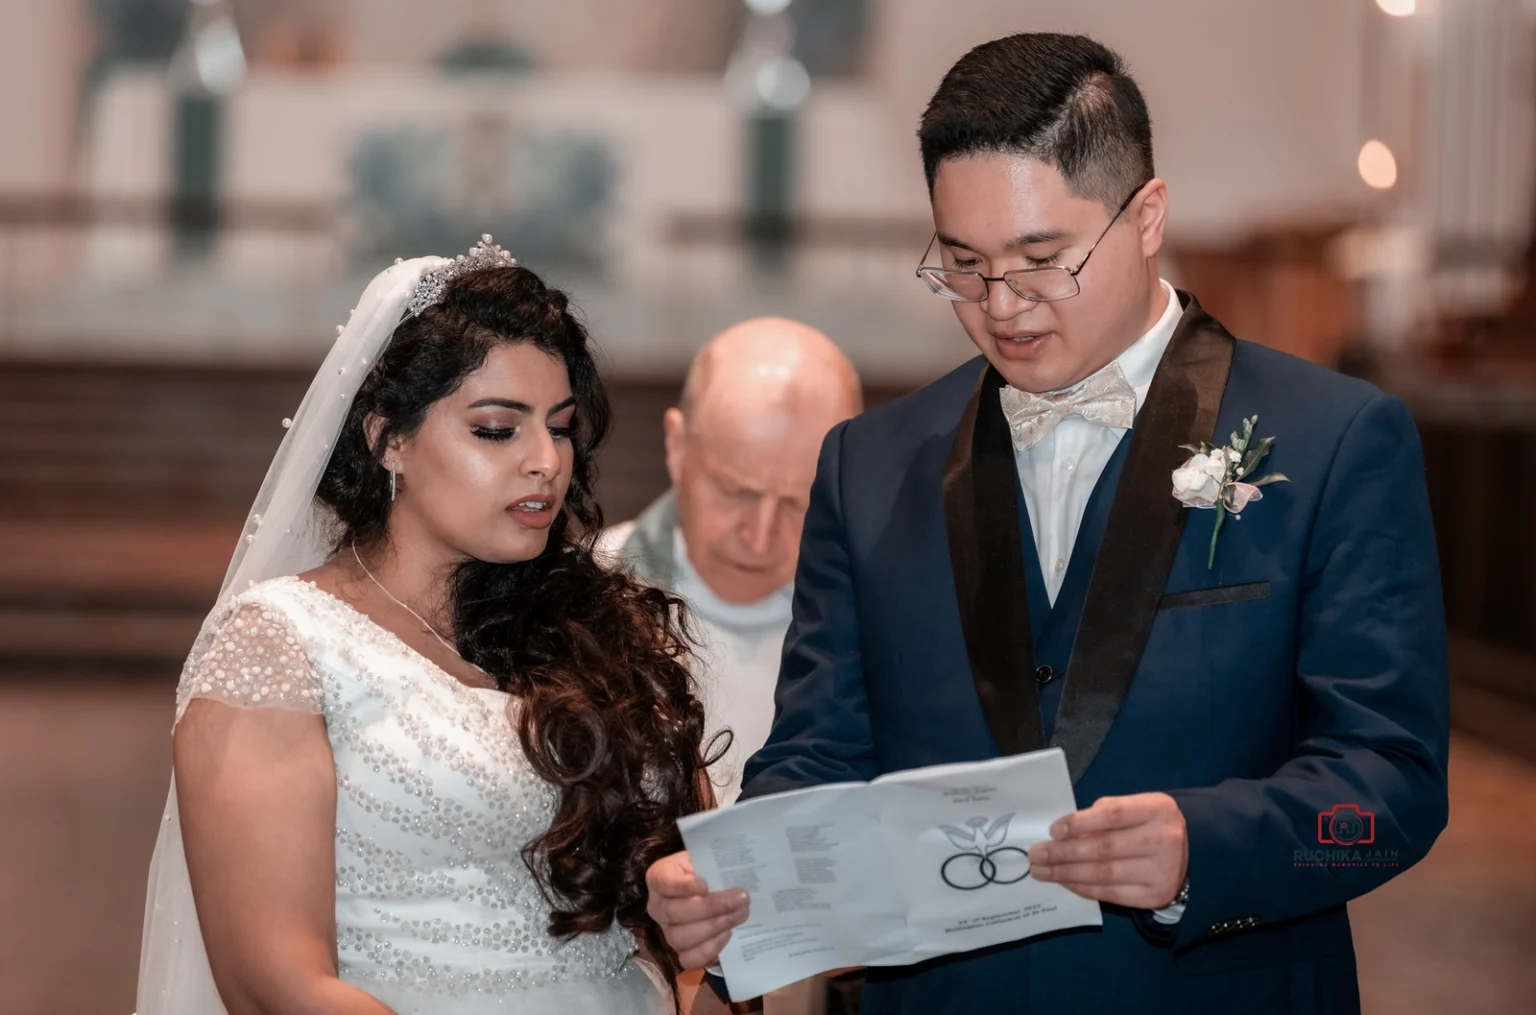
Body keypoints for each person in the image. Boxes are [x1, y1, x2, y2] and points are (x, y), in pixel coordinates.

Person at [645, 33, 1450, 1015]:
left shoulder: (1331, 439)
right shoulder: (872, 465)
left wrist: (1208, 844)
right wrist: (735, 884)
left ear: (1146, 215)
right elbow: (819, 753)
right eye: (962, 264)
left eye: (1041, 259)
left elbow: (1391, 786)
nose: (1002, 306)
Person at [137, 239, 713, 1015]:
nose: (547, 460)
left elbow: (694, 936)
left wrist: (705, 936)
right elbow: (277, 985)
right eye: (497, 429)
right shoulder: (282, 642)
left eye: (562, 426)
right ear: (389, 440)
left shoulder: (602, 633)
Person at [598, 318, 862, 806]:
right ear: (677, 446)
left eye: (799, 503)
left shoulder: (877, 617)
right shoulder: (584, 593)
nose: (759, 538)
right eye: (735, 492)